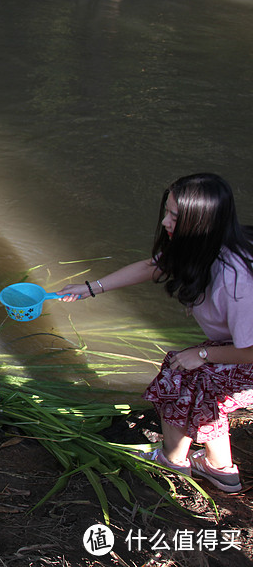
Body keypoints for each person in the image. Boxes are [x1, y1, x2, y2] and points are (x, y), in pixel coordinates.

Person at [57, 173, 253, 493]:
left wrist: (202, 354)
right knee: (200, 379)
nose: (165, 221)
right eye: (168, 211)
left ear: (200, 220)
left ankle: (172, 462)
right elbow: (153, 267)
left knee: (179, 375)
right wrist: (90, 288)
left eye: (174, 215)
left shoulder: (238, 281)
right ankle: (220, 469)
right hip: (235, 344)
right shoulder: (202, 246)